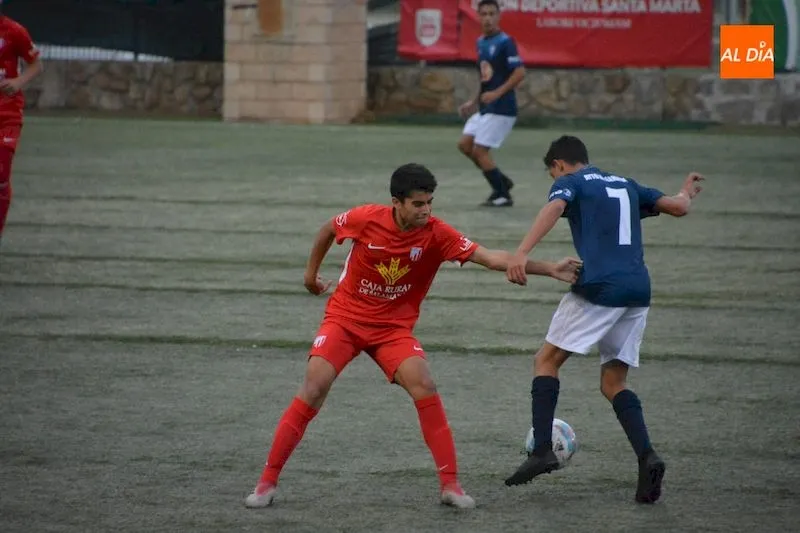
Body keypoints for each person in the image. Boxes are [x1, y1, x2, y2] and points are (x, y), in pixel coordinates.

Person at [244, 163, 582, 510]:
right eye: (418, 204)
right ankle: (266, 483)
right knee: (314, 386)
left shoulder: (437, 233)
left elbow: (491, 258)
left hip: (392, 330)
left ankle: (451, 486)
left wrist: (548, 268)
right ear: (397, 202)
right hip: (344, 320)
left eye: (430, 203)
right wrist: (310, 276)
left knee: (424, 384)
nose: (426, 210)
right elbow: (328, 229)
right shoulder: (365, 218)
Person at [502, 136, 704, 504]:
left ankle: (542, 450)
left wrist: (522, 252)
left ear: (560, 164)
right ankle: (647, 457)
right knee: (614, 381)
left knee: (546, 361)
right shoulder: (626, 184)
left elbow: (555, 207)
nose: (554, 178)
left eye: (552, 172)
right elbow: (677, 208)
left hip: (600, 287)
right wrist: (686, 191)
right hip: (638, 290)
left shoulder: (570, 182)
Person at [457, 0, 524, 208]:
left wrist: (496, 93)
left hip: (502, 109)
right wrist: (474, 100)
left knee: (480, 151)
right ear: (478, 16)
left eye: (491, 14)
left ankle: (502, 194)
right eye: (483, 14)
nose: (487, 18)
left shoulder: (506, 42)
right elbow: (485, 78)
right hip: (487, 108)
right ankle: (501, 180)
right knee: (465, 145)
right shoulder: (481, 42)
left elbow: (519, 73)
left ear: (498, 16)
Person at [0, 2, 43, 247]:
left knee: (1, 173)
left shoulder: (15, 31)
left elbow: (37, 65)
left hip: (7, 113)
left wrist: (18, 82)